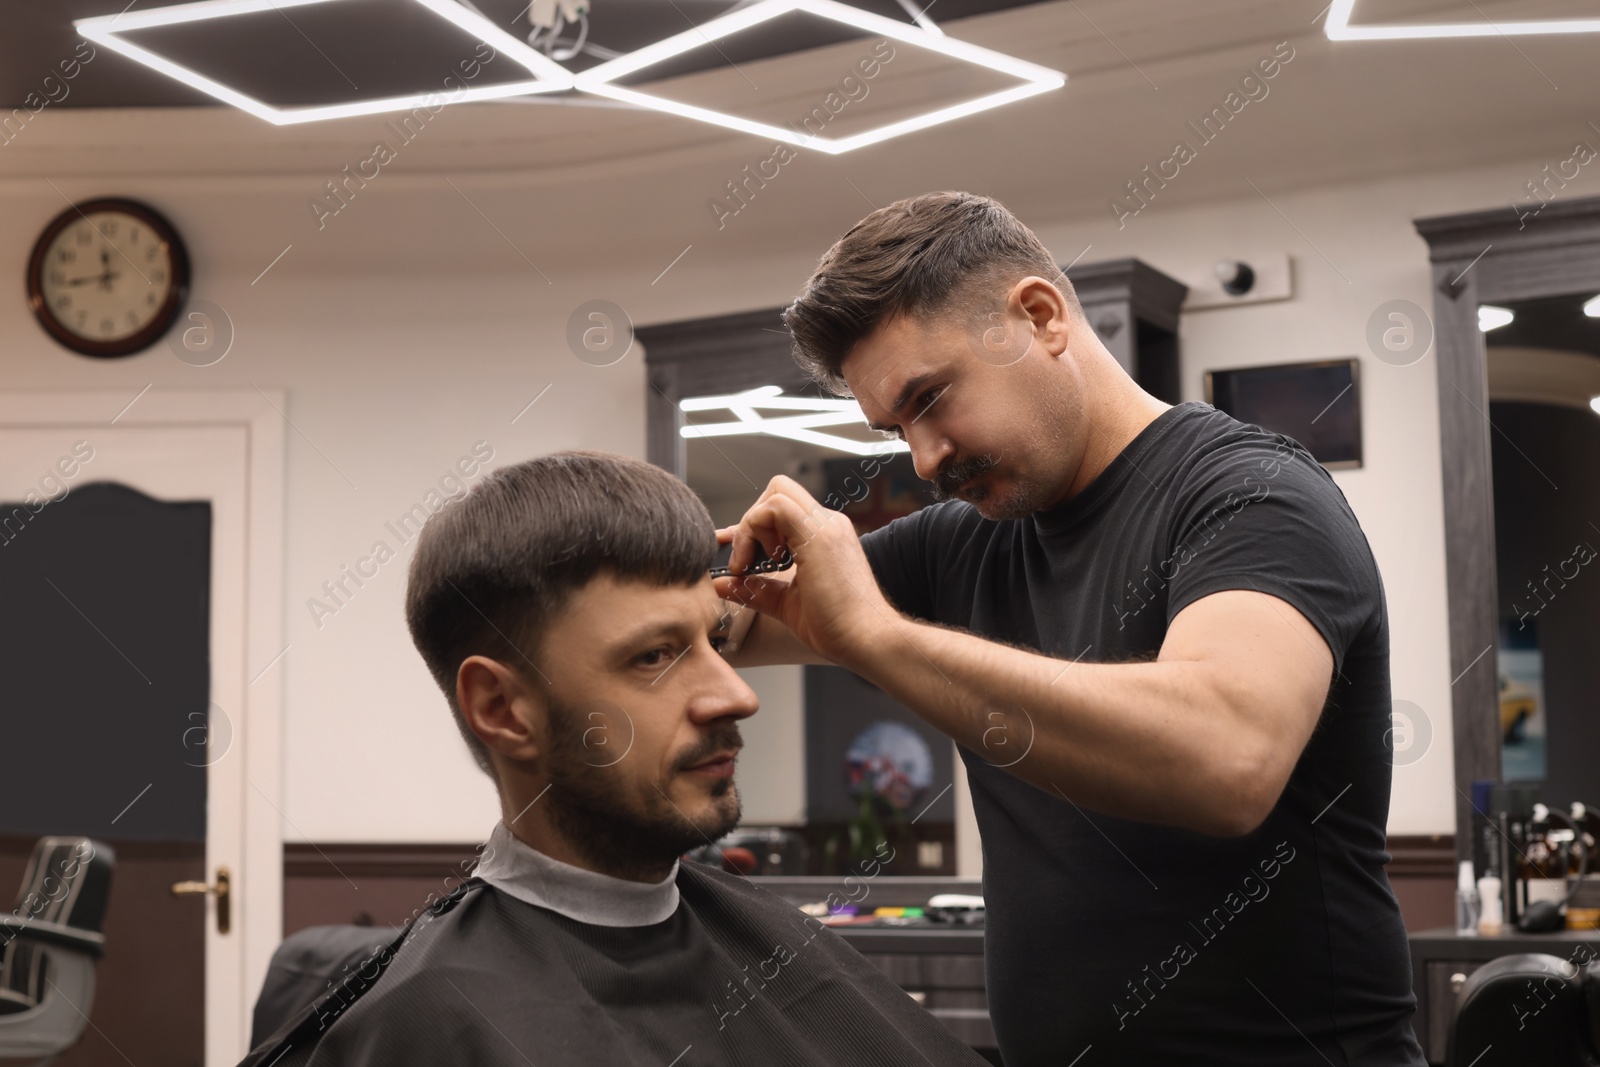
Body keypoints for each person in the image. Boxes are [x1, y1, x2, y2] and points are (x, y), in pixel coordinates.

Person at [716, 192, 1427, 1066]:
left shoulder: (1251, 495)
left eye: (931, 397)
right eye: (898, 428)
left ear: (1040, 317)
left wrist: (879, 637)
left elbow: (1227, 755)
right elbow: (729, 618)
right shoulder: (960, 546)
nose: (926, 457)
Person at [238, 451, 990, 1067]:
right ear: (503, 710)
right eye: (655, 656)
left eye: (715, 641)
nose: (735, 695)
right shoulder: (433, 1023)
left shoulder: (774, 941)